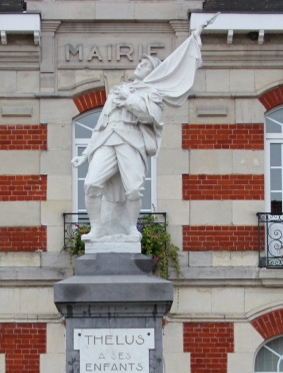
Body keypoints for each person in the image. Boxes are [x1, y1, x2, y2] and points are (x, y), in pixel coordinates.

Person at [72, 14, 218, 248]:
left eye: (144, 64)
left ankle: (131, 229)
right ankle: (96, 229)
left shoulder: (151, 92)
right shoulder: (119, 89)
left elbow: (150, 116)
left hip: (130, 141)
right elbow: (100, 124)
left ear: (152, 72)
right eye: (139, 63)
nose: (139, 66)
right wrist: (86, 152)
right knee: (91, 183)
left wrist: (129, 99)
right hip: (108, 139)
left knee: (134, 188)